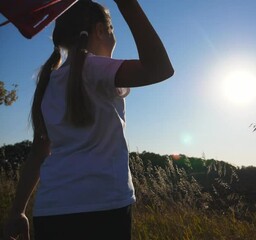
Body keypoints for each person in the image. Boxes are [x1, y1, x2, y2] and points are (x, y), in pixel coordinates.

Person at [3, 0, 174, 239]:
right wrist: (128, 5)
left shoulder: (47, 81)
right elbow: (161, 69)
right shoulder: (98, 68)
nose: (115, 38)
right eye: (112, 29)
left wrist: (18, 211)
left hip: (50, 211)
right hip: (103, 207)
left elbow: (39, 153)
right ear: (100, 31)